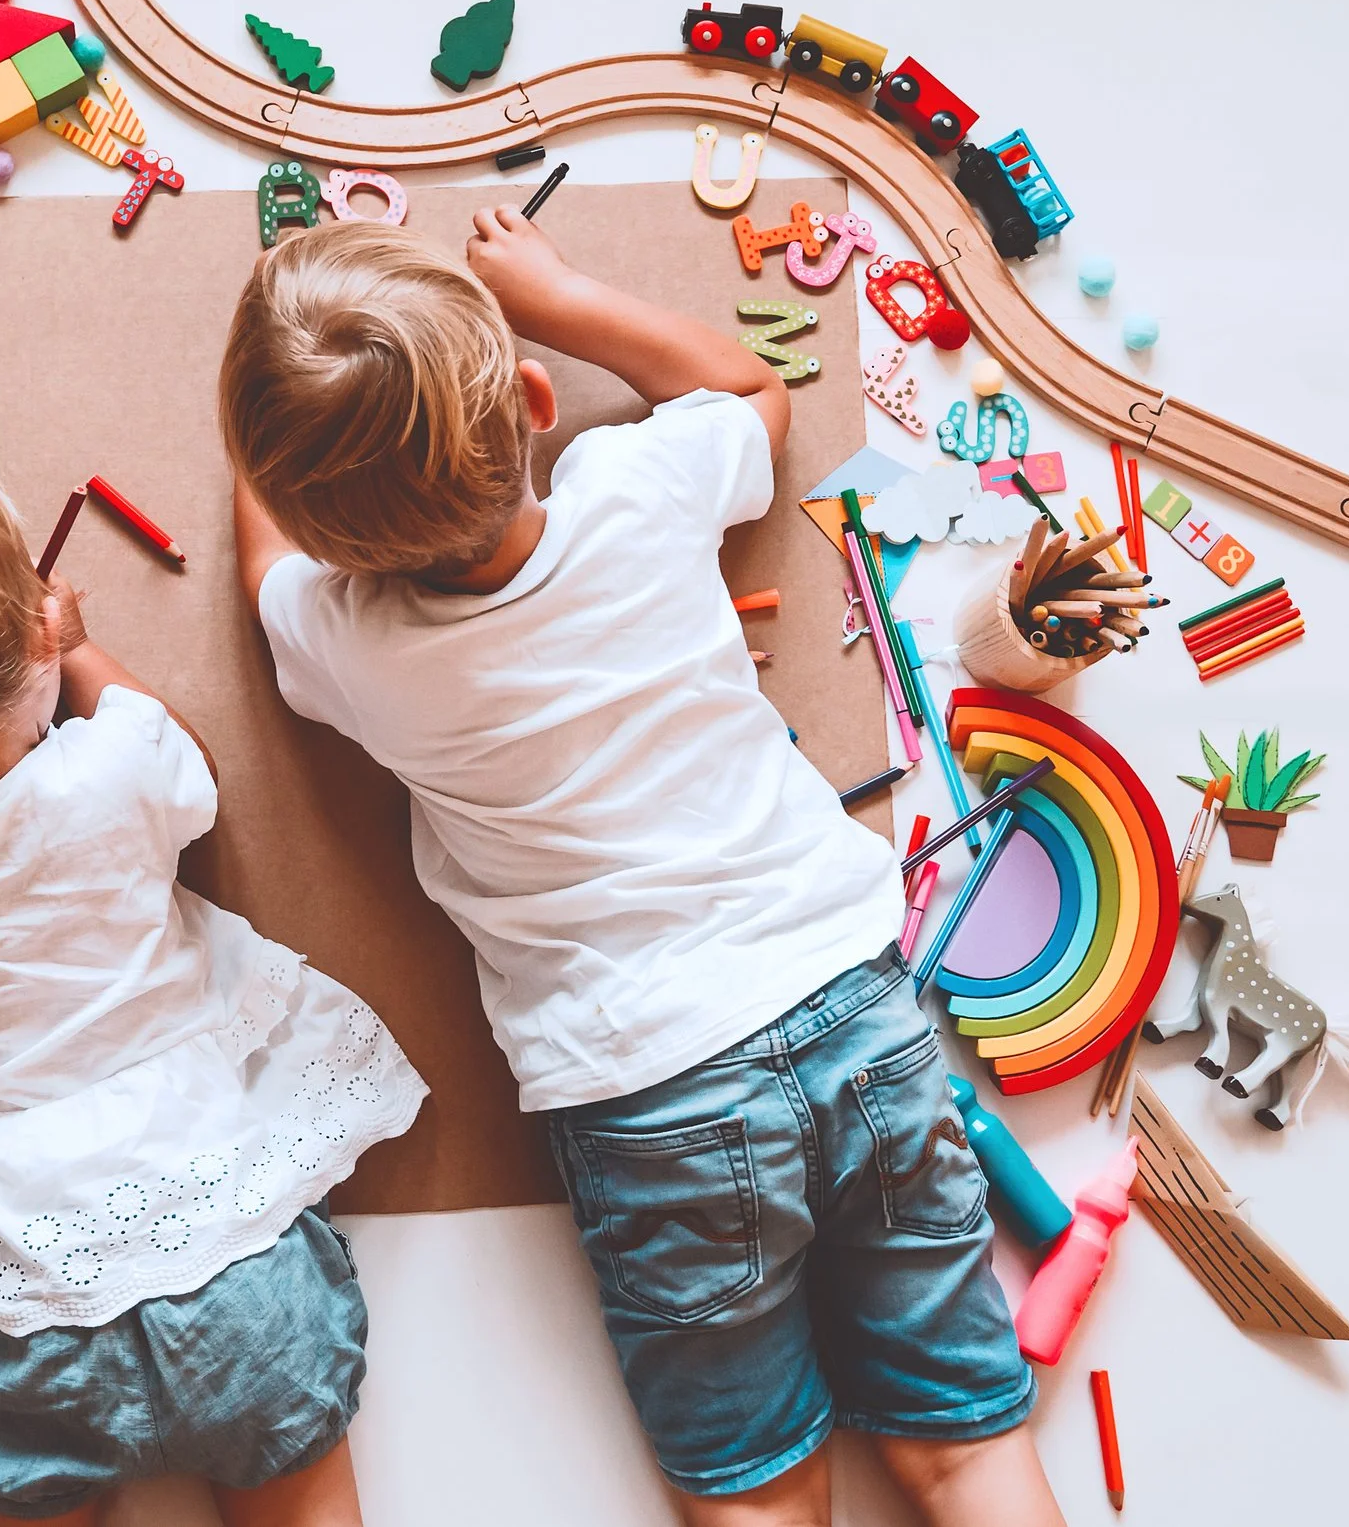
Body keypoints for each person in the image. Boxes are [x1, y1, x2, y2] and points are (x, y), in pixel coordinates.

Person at [220, 214, 1062, 1527]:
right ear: (538, 400)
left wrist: (268, 445)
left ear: (338, 539)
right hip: (851, 1005)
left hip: (650, 1091)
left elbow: (267, 566)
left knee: (760, 1496)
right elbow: (748, 391)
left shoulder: (351, 644)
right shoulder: (635, 485)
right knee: (965, 1444)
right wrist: (557, 291)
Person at [0, 433, 425, 1527]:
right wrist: (81, 650)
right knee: (302, 1494)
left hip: (20, 1278)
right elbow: (194, 773)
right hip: (215, 1232)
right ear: (36, 625)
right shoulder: (110, 766)